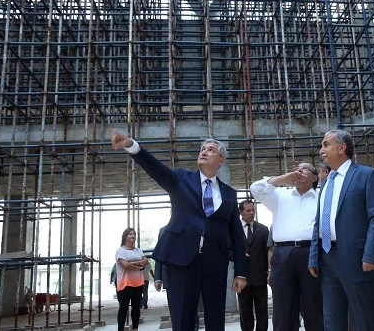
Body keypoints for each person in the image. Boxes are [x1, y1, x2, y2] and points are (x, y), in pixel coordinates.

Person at [111, 133, 247, 331]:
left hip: (215, 263)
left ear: (221, 160)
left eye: (211, 150)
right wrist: (131, 146)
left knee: (216, 318)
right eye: (203, 149)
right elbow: (155, 168)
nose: (204, 152)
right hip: (181, 261)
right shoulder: (181, 179)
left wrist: (241, 273)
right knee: (182, 319)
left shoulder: (229, 193)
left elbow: (236, 235)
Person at [308, 130, 374, 331]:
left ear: (342, 147)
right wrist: (313, 258)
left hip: (358, 260)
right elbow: (319, 222)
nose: (321, 150)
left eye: (326, 145)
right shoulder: (326, 183)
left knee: (365, 321)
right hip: (327, 261)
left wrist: (371, 255)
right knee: (332, 322)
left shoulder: (367, 175)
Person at [250, 162, 323, 331]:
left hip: (311, 253)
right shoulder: (280, 195)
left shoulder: (321, 197)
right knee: (283, 307)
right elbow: (256, 188)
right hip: (283, 254)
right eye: (297, 168)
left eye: (305, 168)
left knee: (314, 305)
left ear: (314, 177)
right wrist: (283, 179)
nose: (299, 171)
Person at [237, 200, 269, 331]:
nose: (251, 213)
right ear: (241, 212)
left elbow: (268, 252)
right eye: (248, 211)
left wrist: (269, 271)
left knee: (262, 309)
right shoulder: (235, 230)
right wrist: (238, 255)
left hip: (260, 276)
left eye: (253, 210)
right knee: (245, 310)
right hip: (242, 276)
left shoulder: (263, 229)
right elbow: (228, 250)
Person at [115, 228, 149, 331]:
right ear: (125, 236)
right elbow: (125, 265)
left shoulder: (138, 250)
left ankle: (135, 328)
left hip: (138, 283)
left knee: (136, 307)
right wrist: (139, 265)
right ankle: (120, 329)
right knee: (123, 308)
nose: (132, 236)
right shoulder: (120, 250)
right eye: (130, 234)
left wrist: (134, 263)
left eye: (134, 234)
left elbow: (146, 261)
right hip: (125, 284)